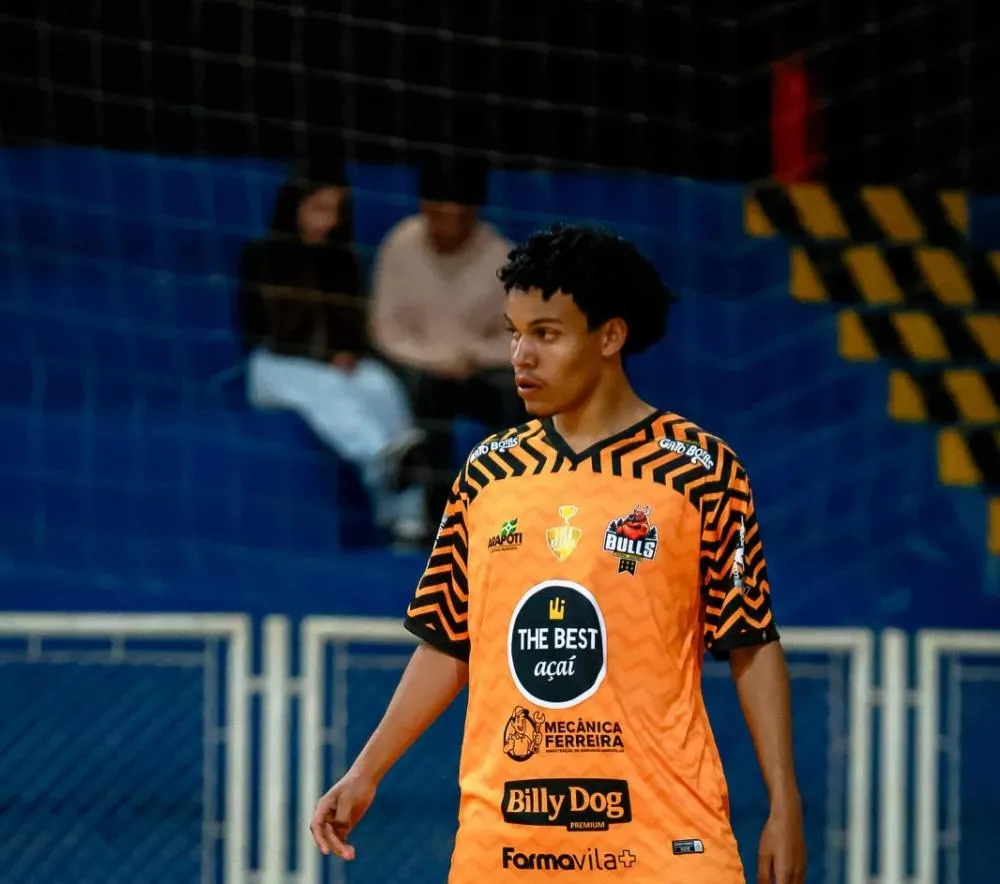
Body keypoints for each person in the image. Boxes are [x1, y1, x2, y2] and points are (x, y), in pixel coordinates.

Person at [310, 224, 806, 883]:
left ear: (609, 336)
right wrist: (365, 770)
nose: (519, 355)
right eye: (513, 332)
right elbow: (447, 641)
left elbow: (751, 641)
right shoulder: (487, 473)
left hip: (664, 842)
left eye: (546, 333)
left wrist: (784, 800)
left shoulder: (701, 470)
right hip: (507, 842)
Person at [239, 160, 426, 544]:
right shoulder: (261, 256)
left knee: (381, 387)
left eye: (336, 211)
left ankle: (407, 517)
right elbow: (265, 330)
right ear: (295, 206)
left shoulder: (342, 261)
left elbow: (354, 324)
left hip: (336, 364)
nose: (329, 220)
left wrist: (347, 351)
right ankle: (381, 457)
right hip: (277, 366)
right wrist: (325, 357)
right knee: (327, 391)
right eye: (320, 209)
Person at [370, 155, 524, 525]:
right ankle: (434, 515)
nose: (449, 228)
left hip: (477, 367)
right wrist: (439, 359)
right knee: (426, 395)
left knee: (514, 394)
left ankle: (505, 509)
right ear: (425, 208)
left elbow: (518, 335)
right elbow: (385, 330)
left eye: (460, 218)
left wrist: (472, 356)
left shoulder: (502, 255)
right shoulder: (400, 245)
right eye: (439, 217)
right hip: (418, 366)